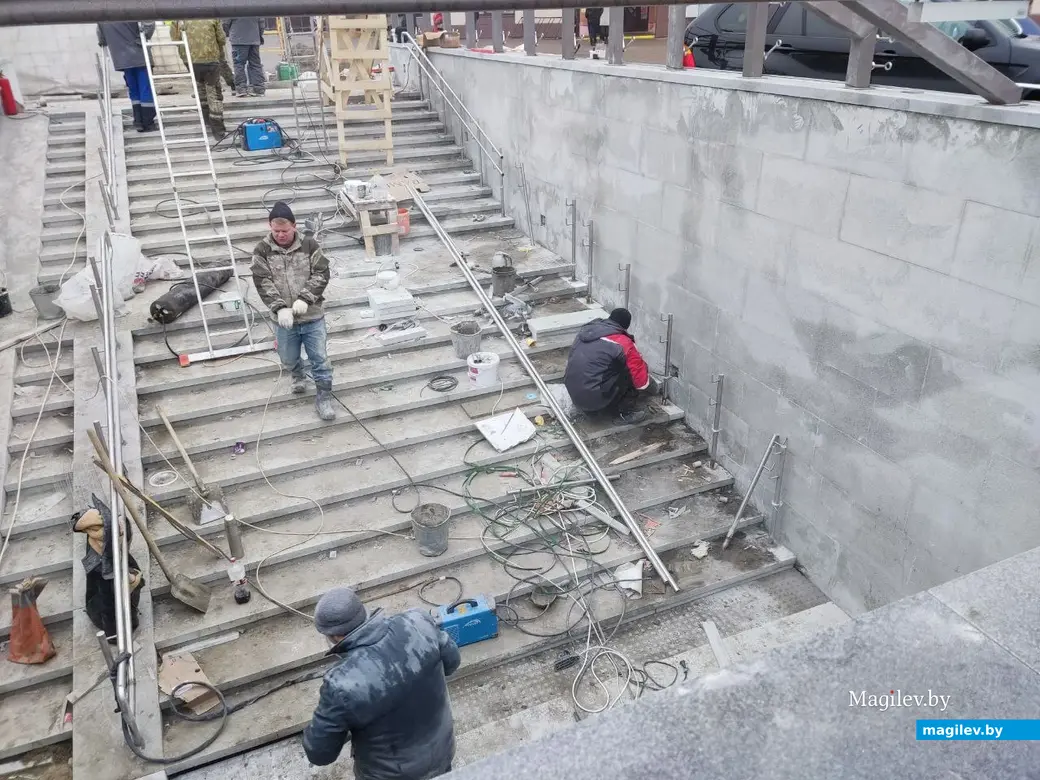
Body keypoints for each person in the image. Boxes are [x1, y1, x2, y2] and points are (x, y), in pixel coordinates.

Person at [302, 587, 460, 779]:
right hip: (442, 752)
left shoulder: (341, 683)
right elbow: (452, 662)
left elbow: (320, 753)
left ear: (334, 636)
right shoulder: (417, 621)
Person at [250, 202, 336, 421]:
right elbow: (262, 281)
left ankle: (324, 397)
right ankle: (297, 375)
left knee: (320, 358)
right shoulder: (262, 250)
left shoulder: (309, 245)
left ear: (294, 227)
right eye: (275, 230)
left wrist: (306, 298)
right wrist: (279, 308)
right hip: (283, 320)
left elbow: (322, 273)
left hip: (312, 316)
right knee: (288, 357)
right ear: (270, 227)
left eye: (284, 231)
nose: (280, 235)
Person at [563, 307, 657, 424]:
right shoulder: (622, 342)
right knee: (628, 373)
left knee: (604, 367)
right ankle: (625, 413)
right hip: (592, 399)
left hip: (573, 391)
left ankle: (592, 407)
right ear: (625, 326)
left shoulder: (587, 331)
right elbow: (640, 380)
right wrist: (653, 387)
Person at [170, 19, 228, 138]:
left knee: (200, 90)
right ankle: (218, 131)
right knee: (214, 94)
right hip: (210, 60)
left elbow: (175, 39)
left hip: (190, 61)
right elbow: (221, 39)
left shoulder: (178, 17)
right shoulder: (212, 16)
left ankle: (206, 121)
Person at [96, 21, 157, 132]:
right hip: (139, 54)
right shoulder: (129, 5)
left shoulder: (102, 12)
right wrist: (142, 38)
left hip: (121, 57)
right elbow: (149, 23)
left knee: (133, 89)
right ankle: (148, 123)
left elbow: (101, 37)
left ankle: (138, 121)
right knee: (145, 88)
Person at [222, 17, 266, 97]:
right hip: (254, 40)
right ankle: (258, 89)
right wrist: (258, 34)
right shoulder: (256, 5)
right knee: (255, 64)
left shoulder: (231, 5)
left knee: (239, 64)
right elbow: (262, 24)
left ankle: (241, 89)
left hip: (238, 40)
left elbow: (225, 23)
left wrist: (230, 33)